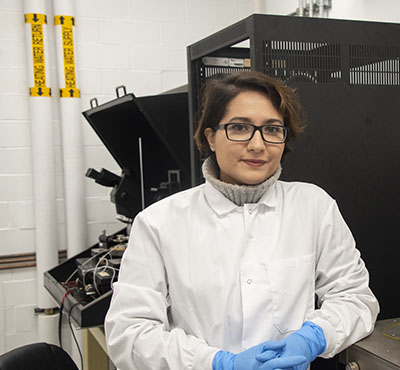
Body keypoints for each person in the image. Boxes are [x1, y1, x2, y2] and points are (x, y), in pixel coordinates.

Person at [104, 71, 379, 370]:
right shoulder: (159, 223)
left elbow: (355, 298)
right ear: (210, 137)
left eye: (272, 129)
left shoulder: (313, 206)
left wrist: (314, 336)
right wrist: (218, 363)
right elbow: (129, 334)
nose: (258, 145)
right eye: (239, 127)